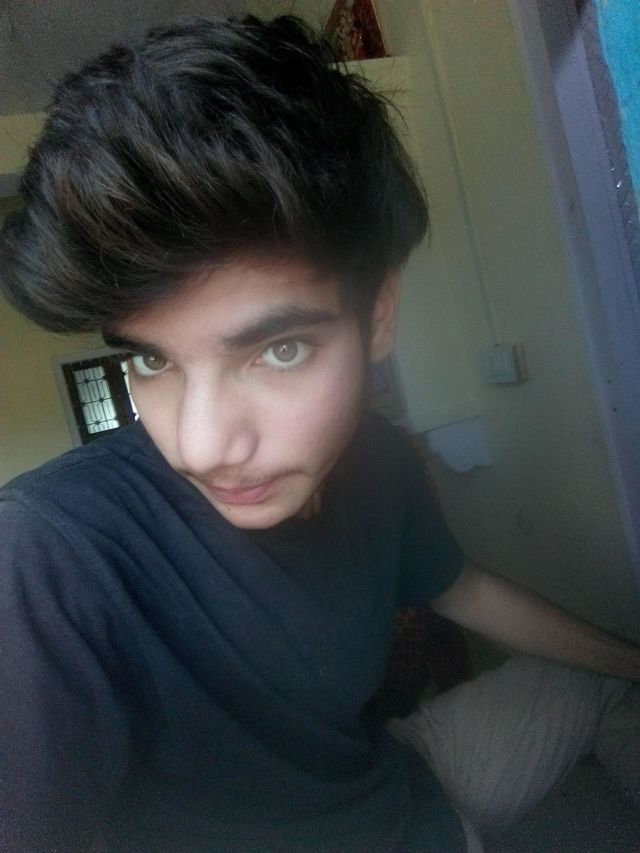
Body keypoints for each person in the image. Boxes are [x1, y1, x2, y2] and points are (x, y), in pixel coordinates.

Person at [0, 14, 638, 853]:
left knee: (610, 683)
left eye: (279, 349)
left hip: (409, 778)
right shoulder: (48, 550)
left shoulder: (379, 459)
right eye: (151, 361)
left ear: (380, 315)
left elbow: (462, 587)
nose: (201, 447)